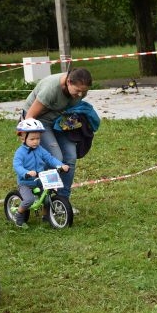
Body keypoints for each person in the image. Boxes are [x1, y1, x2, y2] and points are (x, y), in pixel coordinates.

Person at [22, 67, 93, 206]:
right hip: (39, 122)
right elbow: (29, 116)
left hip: (59, 121)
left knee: (70, 157)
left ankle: (62, 201)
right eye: (77, 90)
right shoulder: (51, 89)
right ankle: (40, 195)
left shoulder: (81, 91)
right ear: (68, 82)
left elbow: (71, 107)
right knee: (56, 158)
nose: (80, 94)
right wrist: (27, 136)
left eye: (83, 91)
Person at [12, 119, 69, 227]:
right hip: (26, 183)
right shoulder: (20, 153)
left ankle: (46, 215)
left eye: (38, 138)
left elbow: (49, 158)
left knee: (48, 196)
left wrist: (60, 165)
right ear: (22, 138)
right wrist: (26, 172)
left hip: (40, 179)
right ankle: (19, 215)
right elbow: (17, 166)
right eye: (32, 139)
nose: (35, 142)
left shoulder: (40, 149)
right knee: (28, 200)